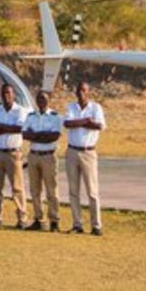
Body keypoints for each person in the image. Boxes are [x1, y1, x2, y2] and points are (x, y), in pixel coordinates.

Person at [62, 80, 106, 236]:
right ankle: (77, 224)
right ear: (76, 92)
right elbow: (67, 123)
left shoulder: (96, 108)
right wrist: (86, 121)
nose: (81, 93)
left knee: (92, 191)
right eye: (79, 90)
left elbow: (99, 126)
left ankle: (96, 225)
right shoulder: (70, 107)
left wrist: (80, 123)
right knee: (73, 190)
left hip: (88, 152)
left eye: (84, 90)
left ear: (89, 92)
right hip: (72, 151)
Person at [0, 83, 28, 228]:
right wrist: (8, 128)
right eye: (4, 93)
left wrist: (2, 127)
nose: (6, 96)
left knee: (17, 187)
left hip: (13, 153)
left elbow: (19, 128)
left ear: (14, 94)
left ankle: (22, 217)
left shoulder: (20, 111)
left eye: (9, 93)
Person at [21, 90, 62, 232]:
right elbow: (25, 134)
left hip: (48, 156)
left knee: (51, 190)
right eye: (38, 98)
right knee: (34, 190)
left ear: (49, 100)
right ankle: (38, 218)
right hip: (33, 155)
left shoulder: (55, 117)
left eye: (43, 99)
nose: (41, 101)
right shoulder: (31, 116)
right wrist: (42, 135)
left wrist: (36, 135)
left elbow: (54, 136)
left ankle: (54, 220)